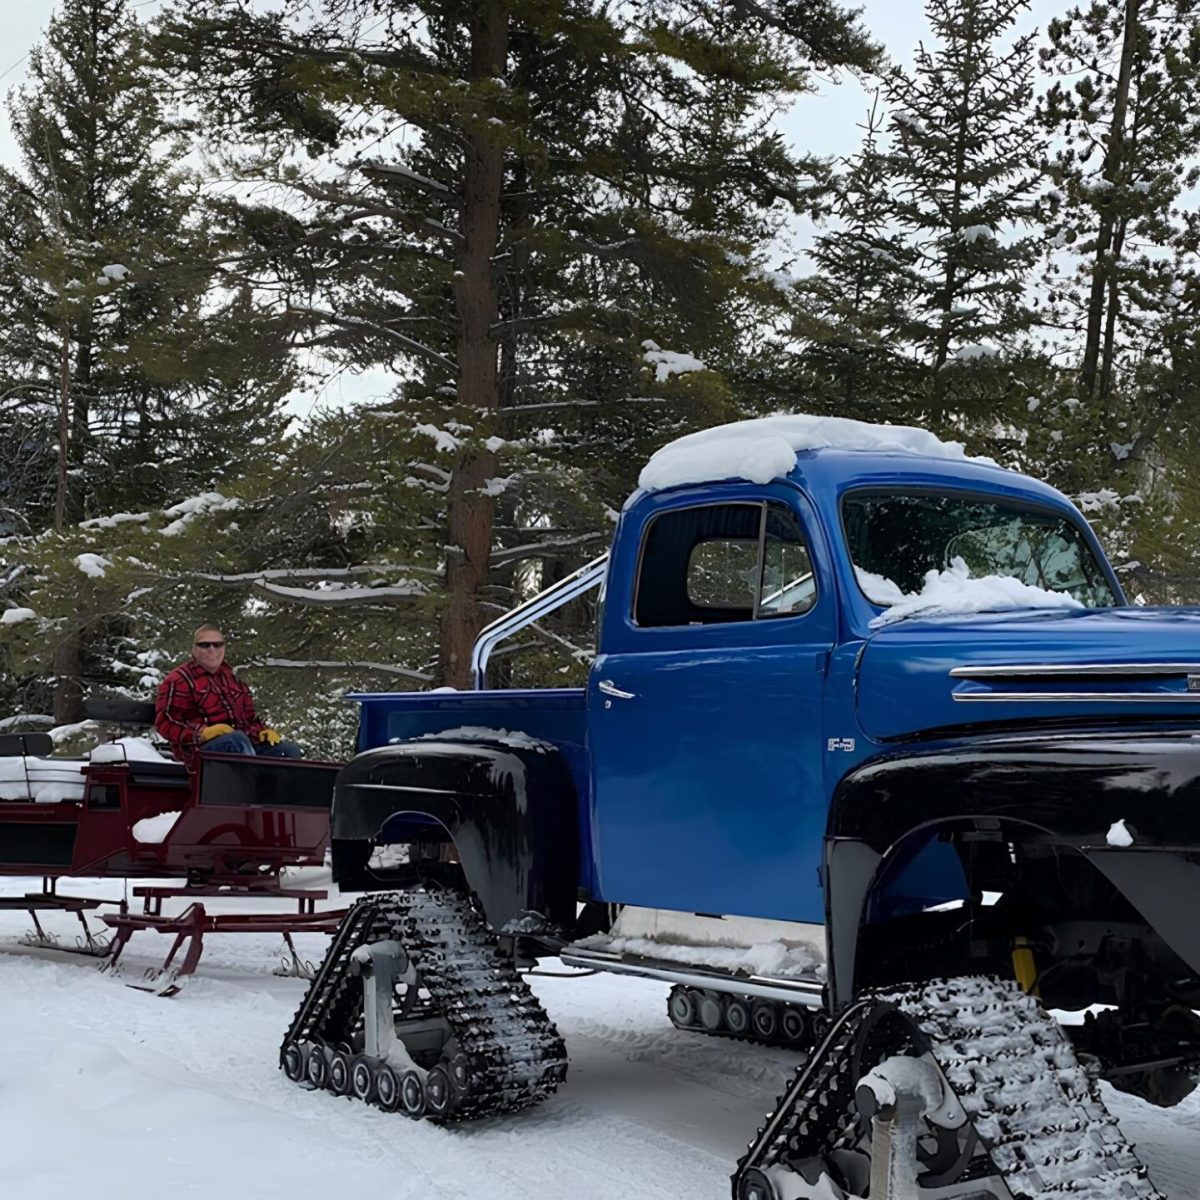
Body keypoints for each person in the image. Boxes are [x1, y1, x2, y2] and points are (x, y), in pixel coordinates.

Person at [154, 624, 302, 770]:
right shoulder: (179, 679)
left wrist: (262, 732)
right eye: (205, 645)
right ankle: (251, 790)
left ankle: (281, 792)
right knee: (237, 741)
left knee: (288, 750)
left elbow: (250, 719)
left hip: (242, 748)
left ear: (224, 648)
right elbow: (165, 722)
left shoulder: (234, 679)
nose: (212, 649)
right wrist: (202, 733)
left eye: (217, 645)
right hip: (199, 754)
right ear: (194, 649)